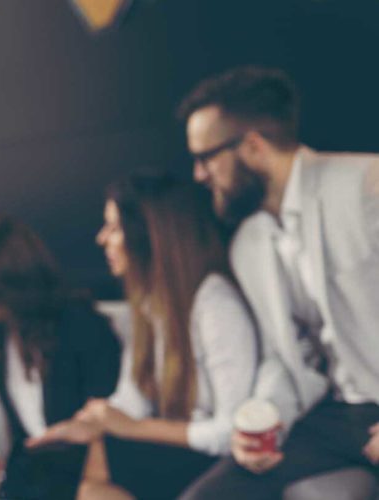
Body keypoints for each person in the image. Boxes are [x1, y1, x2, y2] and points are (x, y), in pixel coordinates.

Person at [176, 66, 379, 499]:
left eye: (205, 157)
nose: (199, 175)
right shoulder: (247, 244)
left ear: (252, 146)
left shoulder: (367, 186)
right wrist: (265, 416)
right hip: (334, 416)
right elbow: (284, 357)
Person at [29, 173, 258, 499]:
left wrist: (132, 428)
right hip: (175, 445)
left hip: (217, 455)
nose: (101, 238)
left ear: (151, 236)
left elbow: (230, 432)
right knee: (62, 463)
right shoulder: (152, 304)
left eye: (115, 227)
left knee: (87, 471)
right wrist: (91, 422)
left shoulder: (215, 304)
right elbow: (131, 399)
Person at [0, 216, 122, 500]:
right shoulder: (1, 336)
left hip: (85, 480)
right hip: (43, 482)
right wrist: (0, 479)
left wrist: (11, 487)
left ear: (6, 282)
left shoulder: (83, 329)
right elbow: (26, 440)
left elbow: (101, 440)